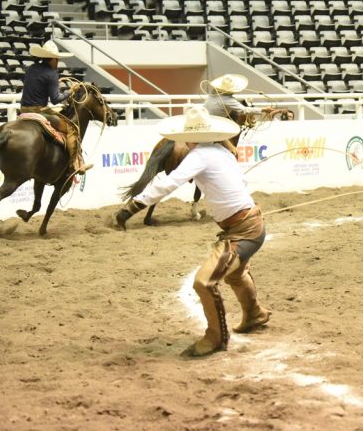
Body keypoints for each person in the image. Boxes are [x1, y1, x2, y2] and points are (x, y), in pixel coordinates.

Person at [113, 106, 271, 357]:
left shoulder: (200, 155)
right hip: (249, 224)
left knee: (204, 282)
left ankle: (216, 337)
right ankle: (254, 314)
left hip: (243, 231)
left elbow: (168, 183)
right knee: (235, 274)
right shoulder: (221, 151)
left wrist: (132, 207)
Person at [19, 40, 92, 174]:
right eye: (57, 59)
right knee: (72, 128)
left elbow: (38, 86)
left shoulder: (31, 69)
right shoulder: (51, 74)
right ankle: (75, 164)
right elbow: (55, 99)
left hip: (24, 110)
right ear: (52, 59)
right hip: (39, 111)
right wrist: (71, 91)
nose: (57, 61)